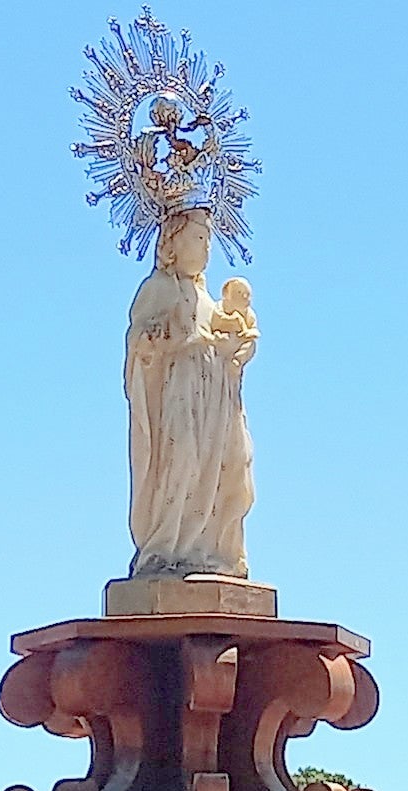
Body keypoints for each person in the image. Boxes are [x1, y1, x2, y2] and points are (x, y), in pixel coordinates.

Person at [124, 208, 258, 578]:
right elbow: (140, 341)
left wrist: (237, 350)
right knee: (180, 461)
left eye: (208, 240)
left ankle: (212, 550)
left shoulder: (207, 299)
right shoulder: (159, 289)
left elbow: (226, 337)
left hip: (214, 401)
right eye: (198, 238)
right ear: (172, 242)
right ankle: (166, 547)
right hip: (178, 396)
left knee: (227, 468)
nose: (206, 247)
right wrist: (160, 340)